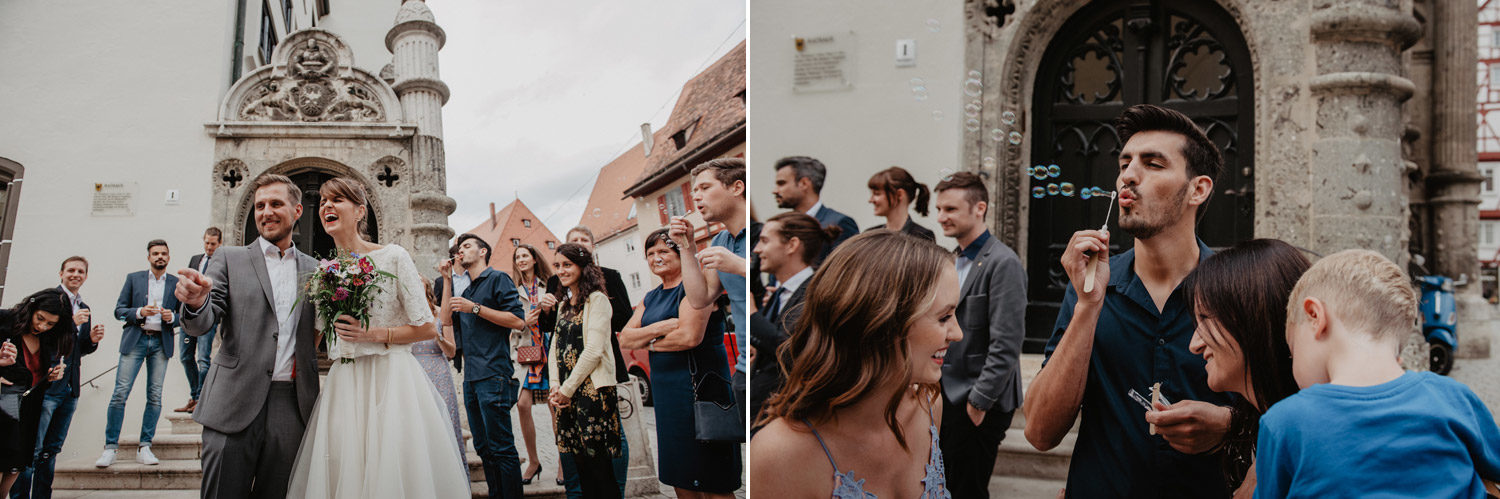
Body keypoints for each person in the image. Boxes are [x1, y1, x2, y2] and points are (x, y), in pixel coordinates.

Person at [1023, 104, 1234, 497]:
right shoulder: (1088, 286)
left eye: (1153, 164)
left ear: (1198, 189)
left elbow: (1284, 410)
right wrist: (1088, 308)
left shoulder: (1237, 288)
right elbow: (1038, 431)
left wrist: (1228, 423)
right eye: (1124, 163)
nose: (1128, 176)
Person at [1256, 249, 1500, 497]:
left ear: (1315, 316)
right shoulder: (1454, 398)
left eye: (1292, 349)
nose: (1292, 362)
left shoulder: (1284, 423)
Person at [282, 177, 468, 497]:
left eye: (337, 199)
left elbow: (425, 327)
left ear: (359, 211)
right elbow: (316, 336)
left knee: (392, 469)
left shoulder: (393, 257)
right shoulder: (325, 271)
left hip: (390, 379)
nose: (327, 205)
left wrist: (372, 333)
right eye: (324, 201)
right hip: (345, 381)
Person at [752, 230, 960, 498]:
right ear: (882, 323)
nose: (958, 333)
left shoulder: (929, 406)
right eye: (944, 317)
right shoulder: (781, 452)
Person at [175, 174, 322, 499]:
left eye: (275, 204)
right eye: (260, 206)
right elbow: (202, 322)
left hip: (291, 406)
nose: (266, 212)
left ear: (298, 211)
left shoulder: (315, 270)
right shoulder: (229, 258)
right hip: (232, 401)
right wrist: (197, 302)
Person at [1181, 239, 1309, 496]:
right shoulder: (1260, 436)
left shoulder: (1308, 449)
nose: (1194, 345)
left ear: (1255, 318)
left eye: (1205, 318)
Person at [619, 229, 741, 498]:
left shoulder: (696, 289)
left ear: (680, 255)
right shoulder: (650, 298)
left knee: (714, 481)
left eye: (663, 251)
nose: (656, 258)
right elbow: (626, 339)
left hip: (699, 393)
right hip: (667, 398)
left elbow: (688, 337)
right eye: (650, 254)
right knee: (680, 477)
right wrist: (660, 328)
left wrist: (647, 340)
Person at [928, 171, 1027, 498]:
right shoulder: (952, 258)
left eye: (951, 209)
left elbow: (1007, 343)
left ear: (979, 208)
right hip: (947, 393)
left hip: (977, 399)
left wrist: (978, 402)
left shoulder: (1004, 262)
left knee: (967, 488)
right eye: (939, 208)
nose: (941, 217)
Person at [439, 232, 527, 499]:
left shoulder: (497, 279)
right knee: (484, 448)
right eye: (459, 248)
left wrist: (474, 308)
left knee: (501, 448)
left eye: (466, 246)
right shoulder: (467, 289)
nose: (460, 251)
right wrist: (446, 279)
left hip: (494, 374)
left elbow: (517, 320)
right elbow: (445, 320)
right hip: (471, 377)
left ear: (483, 252)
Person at [545, 225, 632, 497]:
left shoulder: (598, 300)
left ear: (583, 266)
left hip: (592, 392)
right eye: (557, 265)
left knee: (600, 470)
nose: (561, 270)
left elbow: (594, 349)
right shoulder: (563, 304)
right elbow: (555, 347)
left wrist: (567, 390)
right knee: (581, 466)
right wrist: (556, 386)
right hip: (567, 394)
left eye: (567, 264)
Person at [13, 258, 104, 499]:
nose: (76, 274)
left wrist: (92, 340)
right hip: (46, 386)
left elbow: (75, 349)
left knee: (51, 450)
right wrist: (72, 325)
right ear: (61, 273)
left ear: (86, 276)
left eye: (81, 271)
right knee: (32, 449)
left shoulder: (84, 306)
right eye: (71, 270)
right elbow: (40, 338)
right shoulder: (49, 301)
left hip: (70, 388)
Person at [668, 158, 749, 427]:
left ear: (737, 188)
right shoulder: (721, 240)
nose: (696, 198)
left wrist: (739, 265)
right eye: (694, 192)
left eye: (704, 188)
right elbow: (700, 298)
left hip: (782, 364)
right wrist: (686, 247)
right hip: (745, 369)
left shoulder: (769, 232)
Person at [747, 212, 838, 425]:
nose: (757, 250)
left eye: (764, 241)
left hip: (789, 416)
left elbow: (794, 351)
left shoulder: (816, 293)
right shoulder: (779, 293)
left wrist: (753, 317)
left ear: (791, 245)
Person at [97, 239, 180, 468]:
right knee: (120, 393)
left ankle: (145, 446)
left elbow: (185, 316)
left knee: (155, 395)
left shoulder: (176, 282)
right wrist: (139, 312)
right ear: (149, 257)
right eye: (155, 253)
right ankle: (110, 448)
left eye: (163, 253)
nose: (159, 257)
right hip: (136, 340)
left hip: (160, 343)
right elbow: (119, 311)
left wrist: (172, 318)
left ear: (169, 257)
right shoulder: (134, 279)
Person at [0, 290, 71, 497]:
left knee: (18, 462)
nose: (42, 326)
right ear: (32, 307)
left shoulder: (49, 338)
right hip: (5, 404)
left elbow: (35, 375)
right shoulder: (5, 320)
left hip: (30, 406)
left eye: (50, 323)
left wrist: (49, 377)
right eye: (40, 318)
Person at [511, 243, 563, 485]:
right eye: (517, 257)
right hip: (525, 350)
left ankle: (563, 461)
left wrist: (548, 310)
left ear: (534, 259)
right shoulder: (514, 289)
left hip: (549, 347)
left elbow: (561, 314)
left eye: (525, 255)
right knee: (522, 405)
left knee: (555, 406)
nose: (521, 260)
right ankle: (533, 460)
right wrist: (523, 321)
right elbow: (511, 322)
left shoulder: (550, 284)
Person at [416, 275, 465, 469]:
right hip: (414, 372)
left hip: (438, 372)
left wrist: (438, 337)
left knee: (444, 424)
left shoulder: (440, 315)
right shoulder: (404, 316)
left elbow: (452, 352)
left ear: (427, 289)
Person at [772, 156, 859, 257]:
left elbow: (846, 268)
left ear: (804, 183)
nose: (775, 191)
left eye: (781, 183)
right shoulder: (781, 225)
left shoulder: (840, 223)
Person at [175, 227, 222, 414]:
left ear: (219, 244)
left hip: (208, 318)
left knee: (203, 359)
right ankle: (194, 395)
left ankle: (202, 398)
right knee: (186, 357)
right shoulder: (196, 260)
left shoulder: (221, 262)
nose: (209, 247)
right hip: (188, 317)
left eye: (213, 244)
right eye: (207, 243)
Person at [867, 166, 935, 241]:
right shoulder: (870, 235)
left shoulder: (922, 236)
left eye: (877, 194)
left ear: (899, 194)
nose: (870, 200)